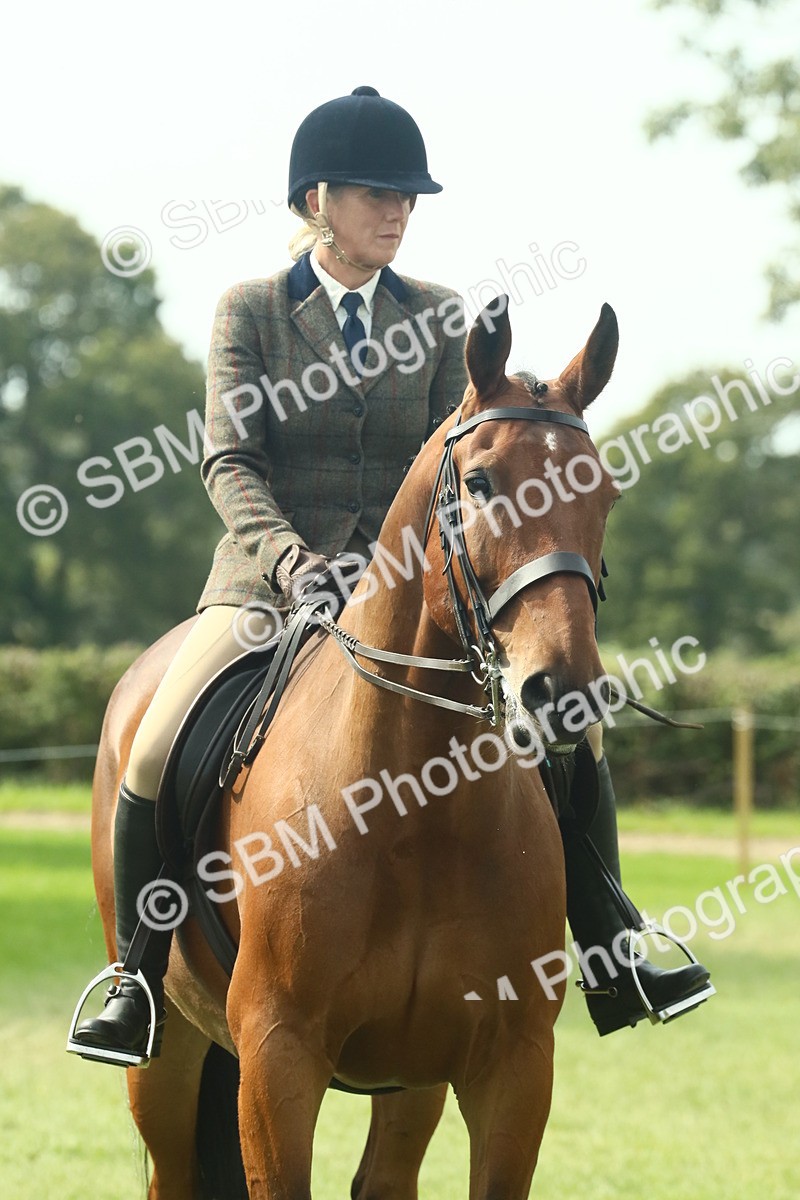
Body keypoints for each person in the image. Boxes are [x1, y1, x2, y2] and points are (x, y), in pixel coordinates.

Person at [70, 86, 712, 1065]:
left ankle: (611, 941)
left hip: (404, 594)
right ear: (317, 198)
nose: (397, 211)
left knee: (570, 732)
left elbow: (451, 474)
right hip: (256, 583)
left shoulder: (442, 318)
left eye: (408, 197)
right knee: (155, 744)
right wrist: (290, 562)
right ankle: (134, 982)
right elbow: (228, 461)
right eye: (378, 193)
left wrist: (391, 571)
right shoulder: (248, 310)